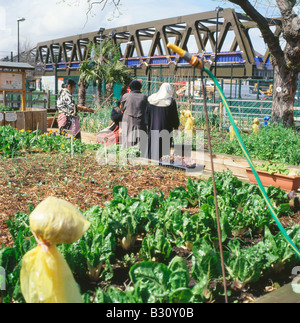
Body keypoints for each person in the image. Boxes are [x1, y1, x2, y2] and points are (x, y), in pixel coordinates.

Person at [147, 83, 180, 161]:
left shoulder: (152, 100)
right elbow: (174, 116)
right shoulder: (170, 102)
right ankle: (163, 161)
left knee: (153, 144)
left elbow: (147, 114)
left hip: (153, 127)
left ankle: (151, 159)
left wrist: (148, 124)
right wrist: (176, 126)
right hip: (166, 127)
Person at [121, 80, 148, 151]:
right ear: (140, 88)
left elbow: (122, 108)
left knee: (127, 138)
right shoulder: (144, 97)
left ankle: (127, 153)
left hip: (128, 120)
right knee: (140, 139)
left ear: (130, 88)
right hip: (141, 121)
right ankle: (140, 154)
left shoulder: (126, 96)